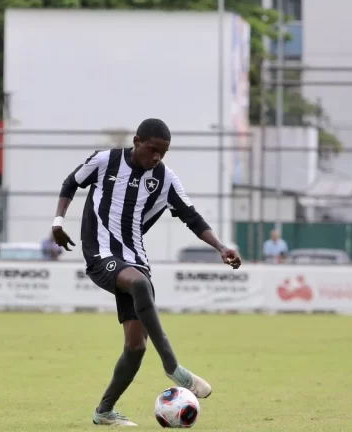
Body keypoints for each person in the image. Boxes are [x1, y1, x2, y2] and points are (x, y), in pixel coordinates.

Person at [51, 118, 242, 427]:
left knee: (136, 346)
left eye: (162, 153)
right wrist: (58, 222)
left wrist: (221, 247)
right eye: (153, 149)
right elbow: (70, 183)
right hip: (100, 253)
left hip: (135, 258)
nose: (156, 158)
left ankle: (103, 412)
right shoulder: (105, 160)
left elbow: (191, 217)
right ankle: (173, 366)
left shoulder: (165, 178)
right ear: (137, 140)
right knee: (140, 285)